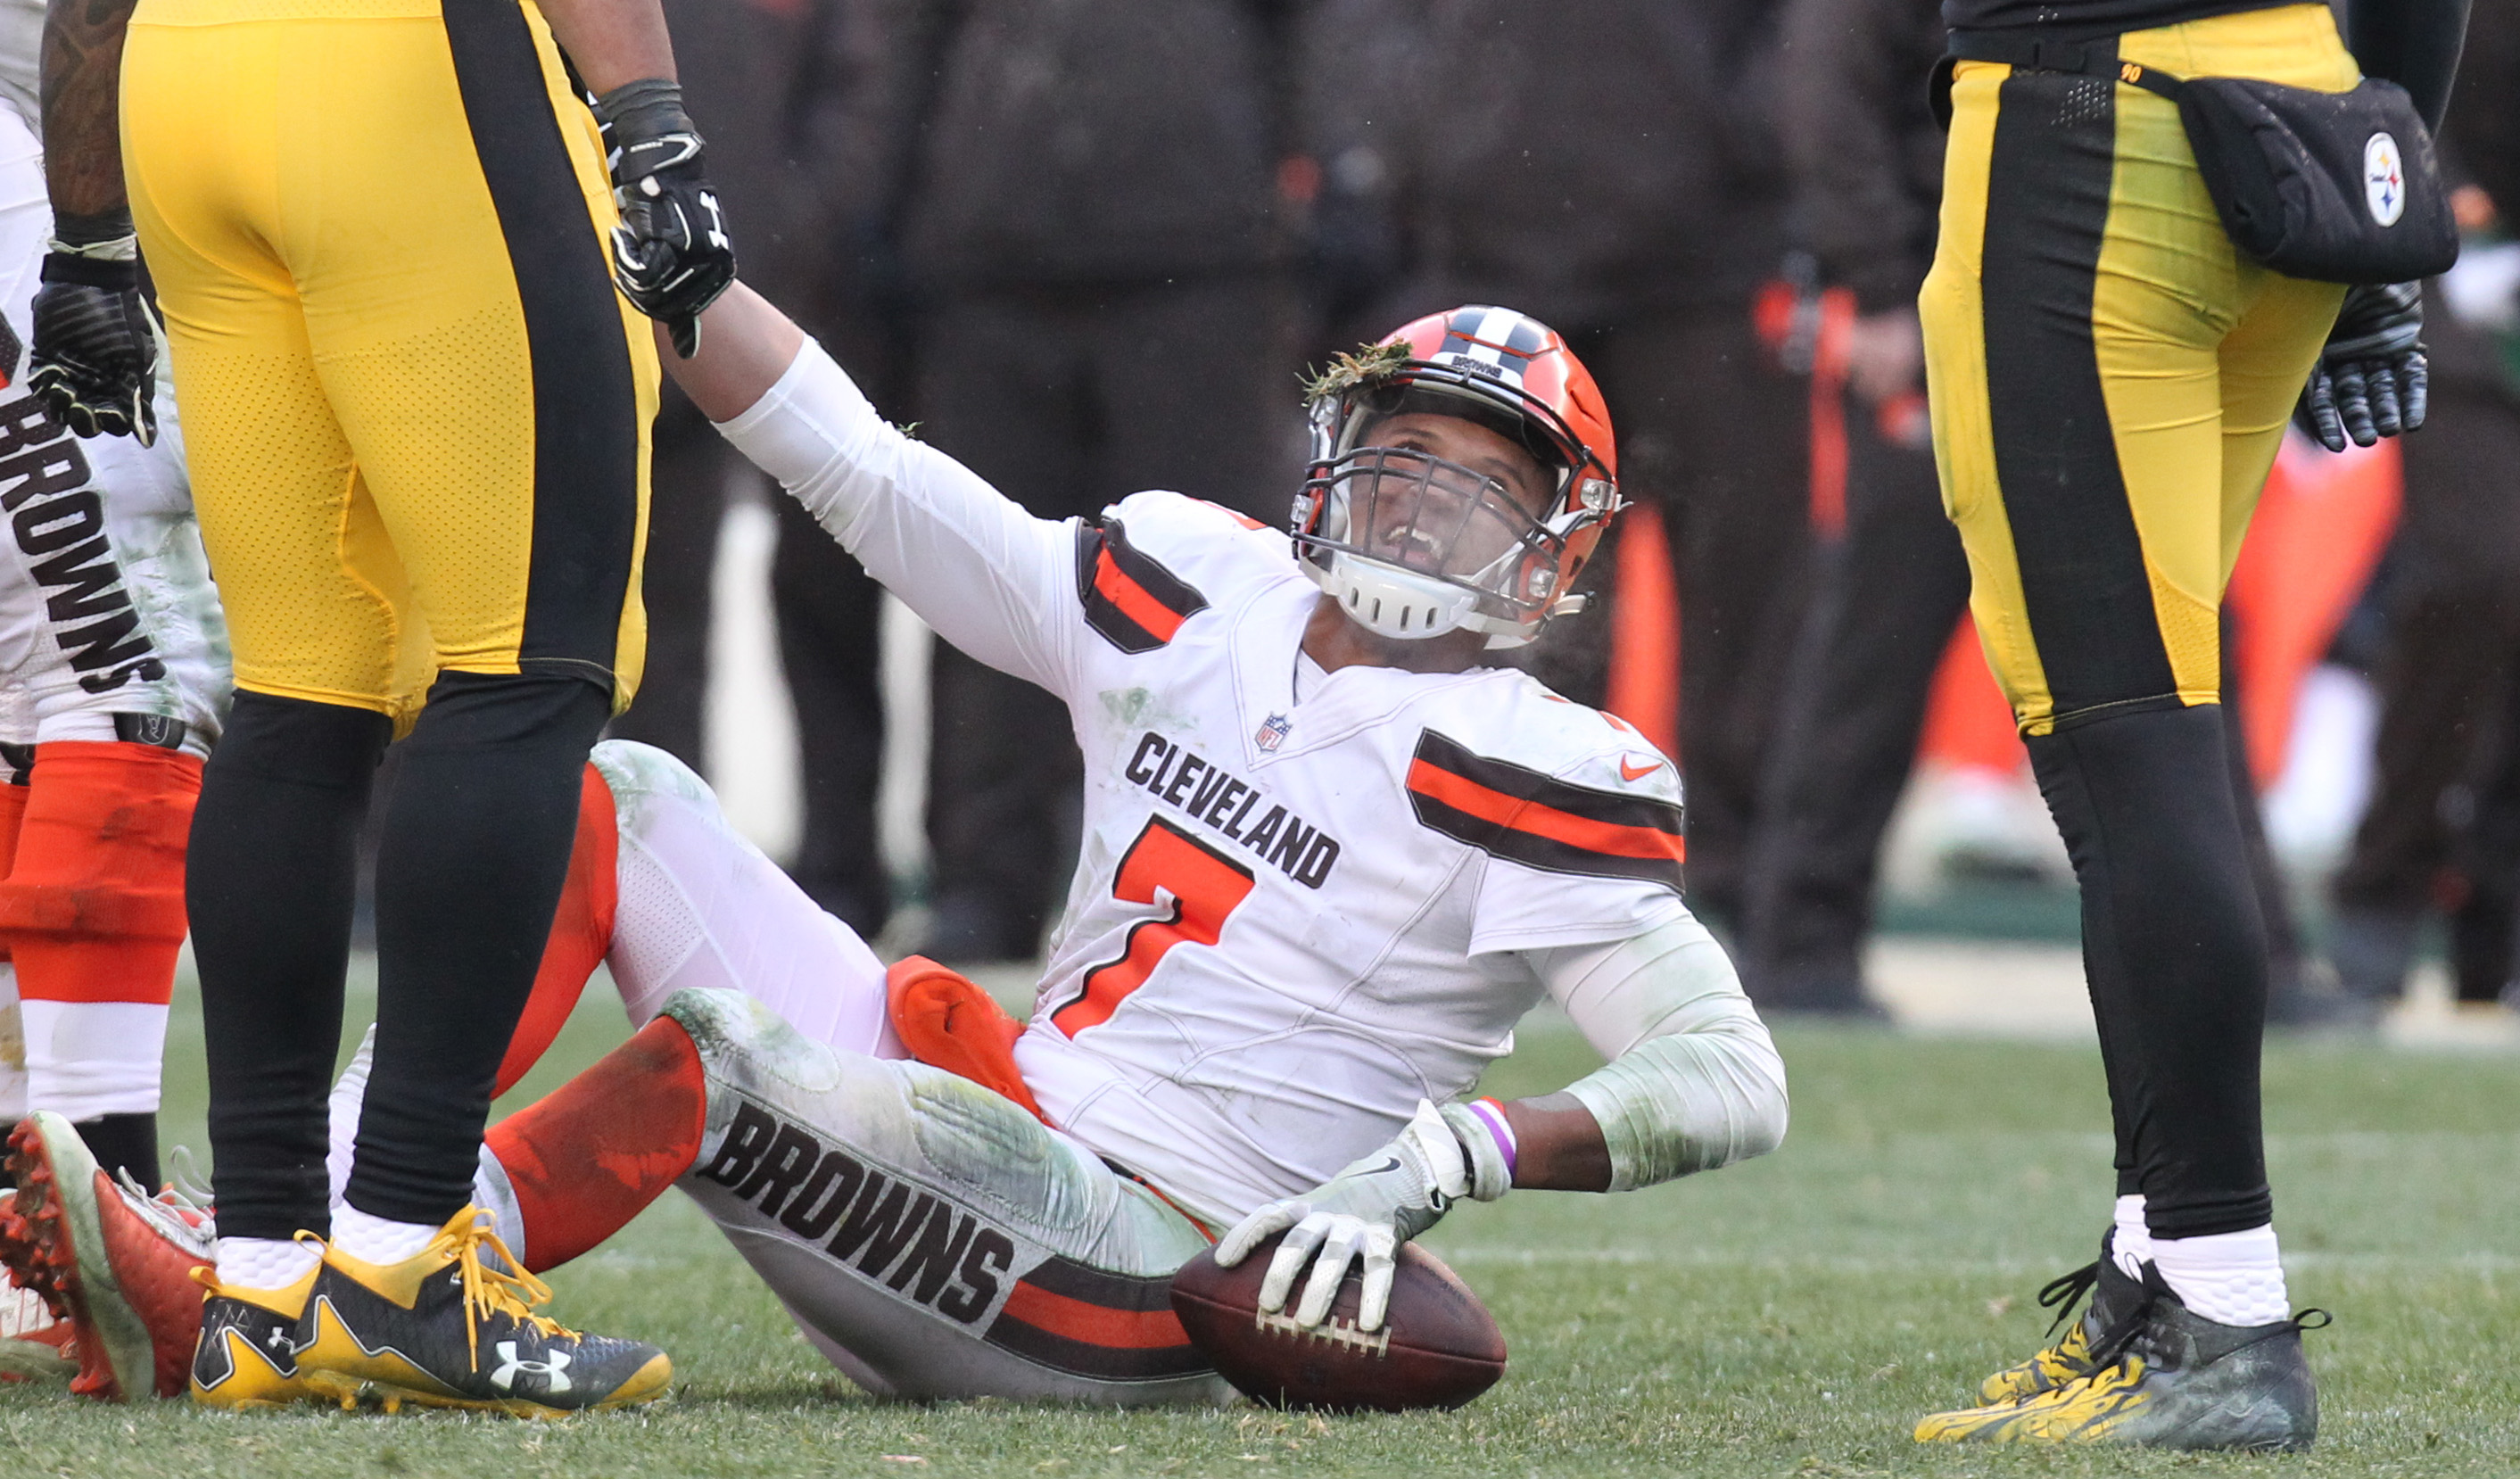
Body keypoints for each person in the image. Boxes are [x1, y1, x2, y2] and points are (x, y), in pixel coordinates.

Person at [12, 288, 1791, 1405]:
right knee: (617, 790)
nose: (1425, 513)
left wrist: (1448, 1151)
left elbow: (1730, 1075)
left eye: (1480, 491)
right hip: (1002, 1118)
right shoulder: (1201, 585)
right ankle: (301, 1234)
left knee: (726, 1056)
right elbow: (862, 471)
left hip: (1151, 1266)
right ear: (1331, 470)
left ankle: (356, 1299)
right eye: (1401, 467)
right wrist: (665, 263)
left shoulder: (1542, 756)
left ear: (1557, 555)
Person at [21, 0, 738, 1413]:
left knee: (301, 681)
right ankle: (406, 1262)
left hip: (179, 83)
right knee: (530, 657)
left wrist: (87, 230)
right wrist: (651, 124)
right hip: (403, 72)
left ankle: (266, 1283)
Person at [1908, 0, 2468, 1451]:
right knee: (2154, 729)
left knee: (2124, 748)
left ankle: (2226, 1307)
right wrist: (2378, 200)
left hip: (2088, 134)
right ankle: (2157, 1264)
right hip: (2296, 122)